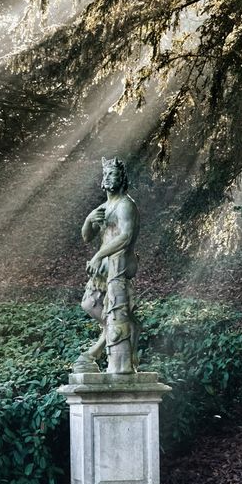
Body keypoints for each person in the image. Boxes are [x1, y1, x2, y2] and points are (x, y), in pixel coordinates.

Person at [79, 156, 139, 375]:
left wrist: (97, 256)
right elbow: (87, 237)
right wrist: (88, 220)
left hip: (119, 264)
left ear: (121, 178)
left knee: (115, 312)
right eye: (105, 174)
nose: (107, 178)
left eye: (112, 173)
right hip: (103, 265)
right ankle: (128, 328)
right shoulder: (105, 206)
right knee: (89, 304)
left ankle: (109, 351)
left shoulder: (125, 205)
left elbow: (125, 236)